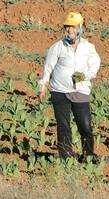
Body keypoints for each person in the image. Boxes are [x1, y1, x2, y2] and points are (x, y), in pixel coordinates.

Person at [38, 11, 101, 162]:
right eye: (67, 27)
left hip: (80, 91)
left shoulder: (88, 48)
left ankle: (88, 156)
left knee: (85, 125)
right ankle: (65, 157)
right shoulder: (57, 47)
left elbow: (95, 65)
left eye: (73, 27)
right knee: (63, 126)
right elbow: (48, 68)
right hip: (59, 91)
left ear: (81, 28)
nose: (70, 30)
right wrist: (42, 87)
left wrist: (85, 76)